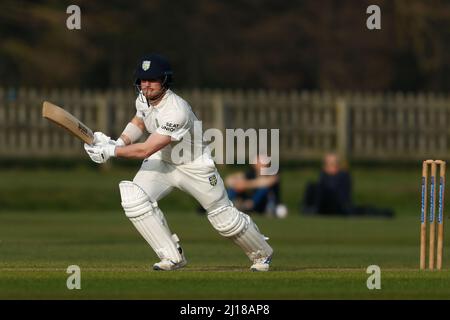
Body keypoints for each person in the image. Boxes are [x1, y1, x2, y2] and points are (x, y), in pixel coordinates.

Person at [83, 53, 273, 271]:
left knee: (224, 219)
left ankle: (262, 254)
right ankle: (172, 257)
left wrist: (111, 151)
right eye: (143, 80)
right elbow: (139, 121)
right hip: (163, 161)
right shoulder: (143, 99)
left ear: (165, 80)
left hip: (194, 166)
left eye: (152, 80)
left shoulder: (176, 110)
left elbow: (147, 149)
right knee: (134, 198)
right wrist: (118, 141)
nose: (146, 85)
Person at [301, 153, 394, 217]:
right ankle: (308, 209)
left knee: (364, 211)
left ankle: (385, 213)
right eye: (328, 163)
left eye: (333, 163)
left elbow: (341, 196)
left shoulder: (343, 175)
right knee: (311, 185)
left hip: (339, 206)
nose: (330, 166)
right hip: (325, 206)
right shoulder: (323, 175)